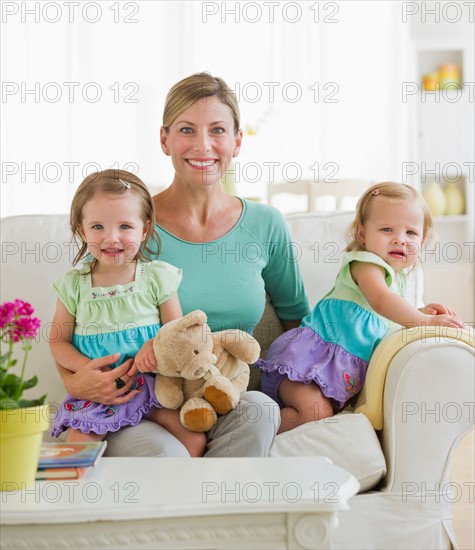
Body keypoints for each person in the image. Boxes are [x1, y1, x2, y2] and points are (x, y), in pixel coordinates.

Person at [55, 73, 311, 457]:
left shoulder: (266, 224)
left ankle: (220, 508)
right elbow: (84, 315)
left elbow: (297, 321)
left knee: (260, 410)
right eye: (187, 129)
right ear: (165, 139)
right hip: (145, 399)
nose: (203, 145)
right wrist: (75, 384)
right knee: (169, 453)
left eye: (218, 130)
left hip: (221, 391)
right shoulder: (128, 224)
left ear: (237, 141)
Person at [256, 182, 465, 433]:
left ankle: (263, 421)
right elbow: (379, 300)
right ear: (363, 234)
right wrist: (426, 322)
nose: (400, 239)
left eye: (411, 232)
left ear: (423, 239)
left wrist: (421, 312)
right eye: (387, 229)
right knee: (314, 413)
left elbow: (388, 318)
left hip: (337, 378)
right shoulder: (365, 264)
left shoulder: (398, 286)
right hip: (309, 363)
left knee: (322, 414)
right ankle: (252, 425)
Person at [50, 169, 206, 456]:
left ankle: (182, 498)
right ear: (82, 230)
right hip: (98, 392)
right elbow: (58, 341)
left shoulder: (157, 277)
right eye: (98, 227)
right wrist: (86, 369)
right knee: (78, 446)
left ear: (144, 229)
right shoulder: (73, 285)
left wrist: (155, 345)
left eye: (125, 226)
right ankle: (80, 496)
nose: (111, 238)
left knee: (194, 440)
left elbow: (179, 332)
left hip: (152, 388)